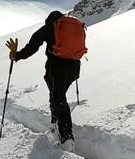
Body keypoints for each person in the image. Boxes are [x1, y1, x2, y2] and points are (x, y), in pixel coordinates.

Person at [6, 10, 86, 151]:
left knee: (58, 99)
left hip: (57, 69)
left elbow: (32, 46)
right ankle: (55, 125)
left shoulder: (49, 26)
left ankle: (66, 137)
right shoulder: (72, 26)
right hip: (74, 69)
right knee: (56, 96)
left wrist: (16, 56)